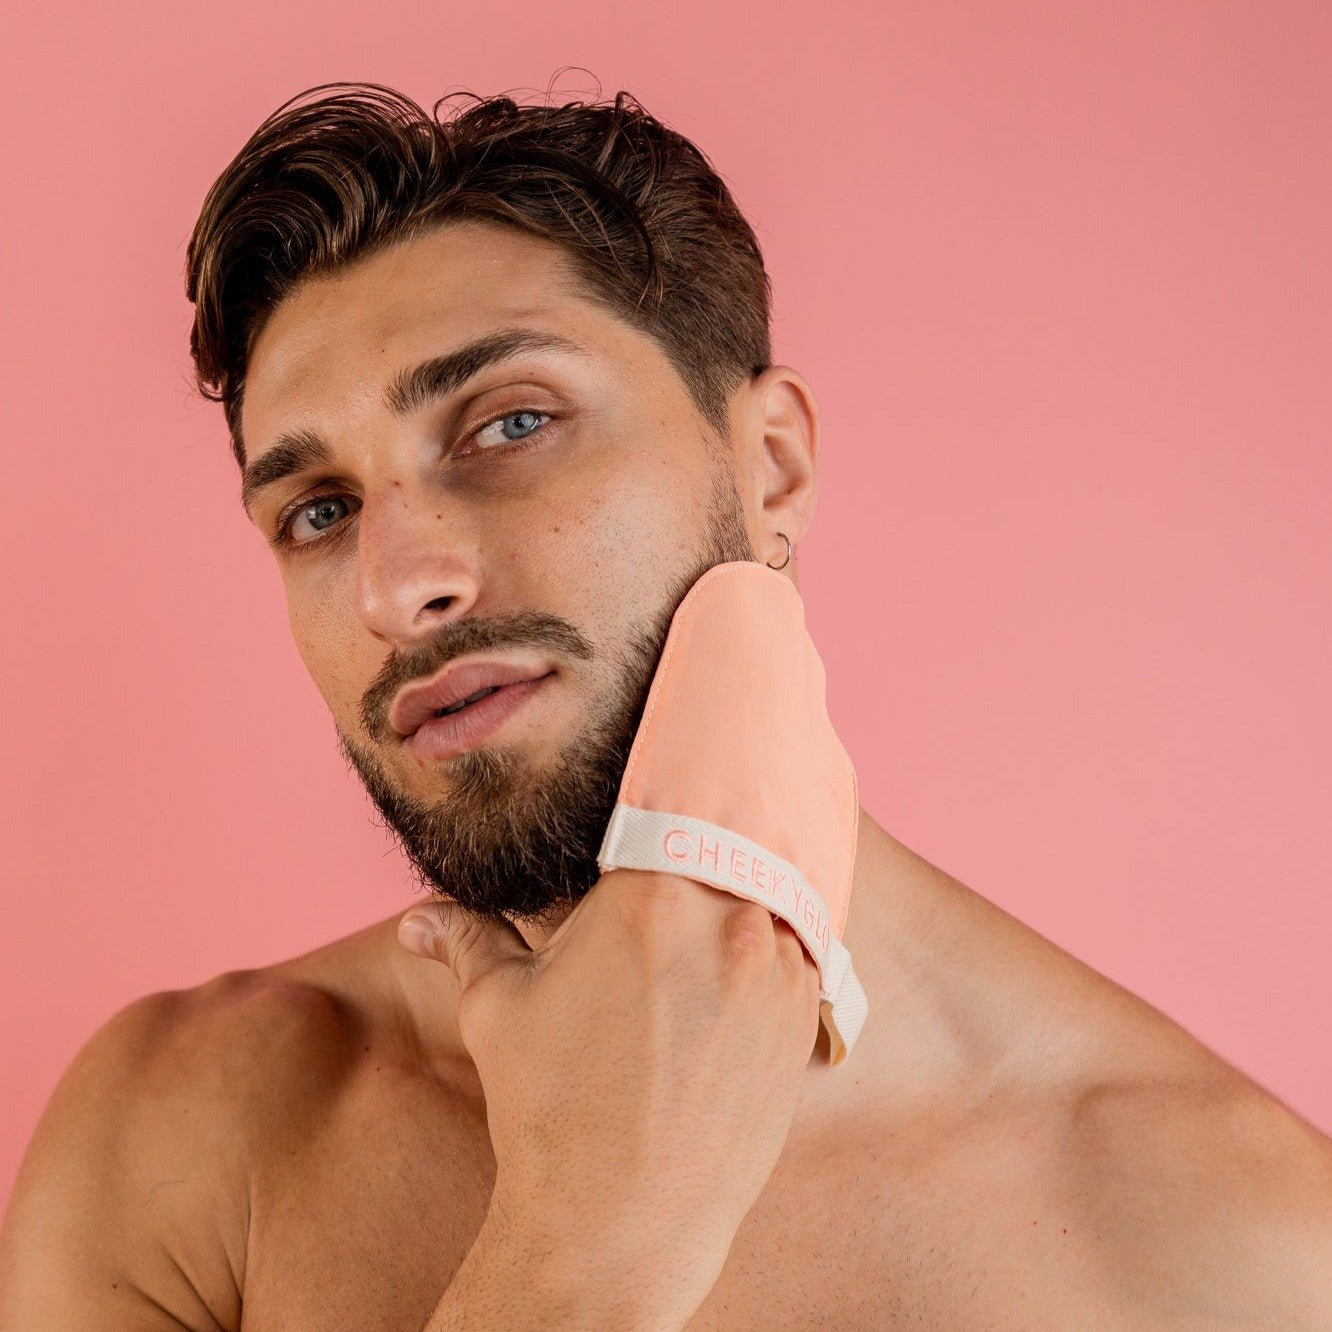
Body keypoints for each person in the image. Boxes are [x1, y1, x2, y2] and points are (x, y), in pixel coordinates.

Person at [2, 81, 1329, 1330]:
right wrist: (575, 1259)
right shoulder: (184, 1140)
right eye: (320, 511)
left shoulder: (1237, 1251)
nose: (397, 587)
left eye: (508, 424)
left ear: (773, 466)